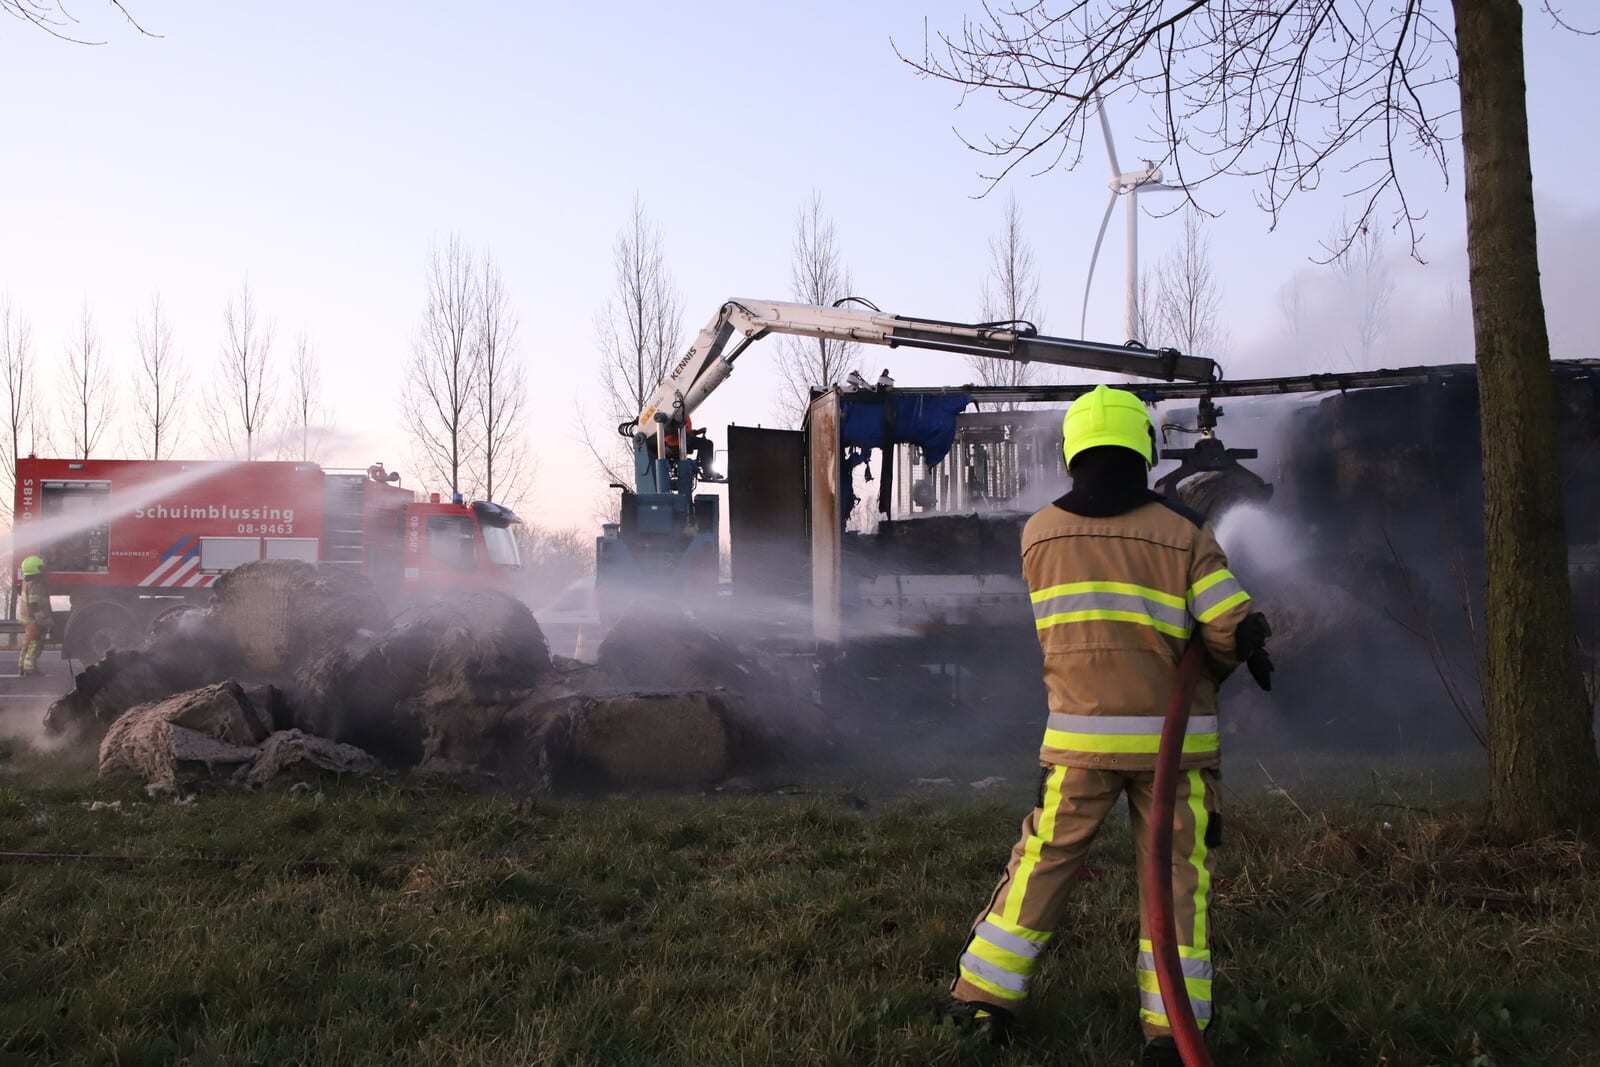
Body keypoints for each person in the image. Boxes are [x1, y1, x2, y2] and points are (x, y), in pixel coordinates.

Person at [937, 385, 1273, 1065]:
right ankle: (1171, 1030)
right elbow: (1228, 629)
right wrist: (1222, 660)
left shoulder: (1039, 534)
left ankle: (981, 1000)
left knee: (1043, 861)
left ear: (1073, 453)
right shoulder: (1185, 533)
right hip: (1174, 750)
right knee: (1177, 879)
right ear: (1144, 450)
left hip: (1079, 743)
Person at [17, 555, 53, 677]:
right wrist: (42, 620)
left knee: (27, 643)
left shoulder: (26, 581)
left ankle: (22, 666)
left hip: (27, 619)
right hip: (35, 620)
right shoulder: (36, 584)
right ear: (35, 569)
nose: (43, 568)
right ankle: (29, 669)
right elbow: (34, 605)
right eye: (41, 567)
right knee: (35, 644)